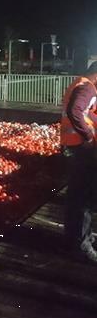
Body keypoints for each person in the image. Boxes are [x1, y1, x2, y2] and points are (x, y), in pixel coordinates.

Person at [61, 61, 97, 262]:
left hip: (74, 147)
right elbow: (75, 111)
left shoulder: (80, 84)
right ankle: (81, 245)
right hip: (81, 148)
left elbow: (85, 114)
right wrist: (89, 136)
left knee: (76, 196)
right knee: (83, 198)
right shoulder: (88, 88)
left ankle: (77, 238)